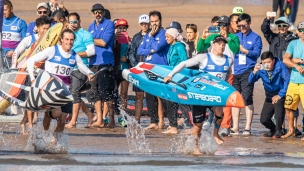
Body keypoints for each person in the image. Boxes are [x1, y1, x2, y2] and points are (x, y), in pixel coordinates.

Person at [164, 35, 233, 154]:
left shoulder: (229, 60)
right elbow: (184, 64)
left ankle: (216, 134)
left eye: (223, 44)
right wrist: (171, 75)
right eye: (219, 44)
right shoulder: (204, 57)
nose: (221, 46)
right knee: (198, 126)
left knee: (219, 112)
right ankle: (196, 148)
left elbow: (229, 75)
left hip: (215, 96)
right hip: (200, 96)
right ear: (213, 44)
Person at [26, 29, 94, 138]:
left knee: (62, 121)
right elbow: (30, 61)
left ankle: (54, 143)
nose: (69, 42)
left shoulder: (74, 56)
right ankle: (45, 136)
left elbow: (83, 67)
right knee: (52, 118)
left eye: (71, 40)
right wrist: (33, 79)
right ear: (61, 39)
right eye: (66, 39)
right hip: (50, 92)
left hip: (65, 93)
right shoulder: (52, 51)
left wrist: (90, 73)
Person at [11, 16, 51, 134]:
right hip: (27, 73)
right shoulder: (29, 39)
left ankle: (24, 122)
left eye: (48, 28)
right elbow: (16, 53)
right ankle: (30, 126)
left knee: (38, 101)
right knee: (30, 100)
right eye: (44, 28)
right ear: (37, 28)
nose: (46, 31)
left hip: (42, 74)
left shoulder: (50, 41)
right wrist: (14, 68)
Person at [137, 10, 171, 130]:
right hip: (149, 68)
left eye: (156, 21)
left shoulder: (163, 33)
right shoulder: (148, 35)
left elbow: (157, 47)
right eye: (152, 22)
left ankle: (165, 121)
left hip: (161, 68)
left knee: (162, 96)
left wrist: (151, 42)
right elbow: (140, 50)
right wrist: (149, 50)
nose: (154, 24)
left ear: (160, 21)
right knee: (150, 94)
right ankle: (154, 121)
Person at [231, 13, 262, 135]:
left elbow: (256, 54)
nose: (242, 28)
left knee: (247, 98)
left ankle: (247, 127)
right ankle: (235, 127)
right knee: (235, 99)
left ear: (249, 23)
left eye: (244, 25)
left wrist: (245, 51)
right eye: (239, 26)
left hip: (248, 70)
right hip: (235, 70)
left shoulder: (256, 37)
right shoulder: (235, 36)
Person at [64, 13, 96, 129]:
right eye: (70, 22)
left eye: (75, 22)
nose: (72, 24)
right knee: (71, 94)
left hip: (80, 68)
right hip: (68, 69)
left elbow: (91, 51)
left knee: (75, 93)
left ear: (79, 21)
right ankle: (90, 115)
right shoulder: (67, 33)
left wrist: (74, 55)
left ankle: (73, 121)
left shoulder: (85, 34)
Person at [248, 51, 289, 138]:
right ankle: (273, 130)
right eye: (264, 62)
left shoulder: (280, 66)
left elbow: (287, 80)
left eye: (269, 62)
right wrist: (254, 71)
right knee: (264, 119)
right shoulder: (261, 68)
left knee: (278, 109)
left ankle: (279, 130)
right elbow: (250, 81)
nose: (267, 64)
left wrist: (280, 95)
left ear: (273, 61)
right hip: (269, 95)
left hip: (279, 92)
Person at [87, 3, 116, 128]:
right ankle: (99, 120)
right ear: (93, 13)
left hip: (105, 62)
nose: (97, 14)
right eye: (95, 12)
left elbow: (104, 42)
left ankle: (111, 120)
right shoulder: (90, 26)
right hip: (92, 62)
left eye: (100, 11)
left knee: (106, 92)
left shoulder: (109, 24)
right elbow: (87, 45)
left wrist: (89, 39)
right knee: (95, 92)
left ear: (103, 12)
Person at [282, 22, 304, 139]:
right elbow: (285, 59)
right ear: (297, 32)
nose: (303, 32)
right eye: (301, 30)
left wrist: (298, 60)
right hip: (294, 81)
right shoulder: (293, 43)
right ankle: (291, 130)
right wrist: (296, 65)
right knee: (289, 107)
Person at [128, 14, 150, 123]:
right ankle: (137, 121)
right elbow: (131, 52)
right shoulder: (136, 37)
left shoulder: (153, 36)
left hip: (150, 69)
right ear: (139, 25)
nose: (144, 26)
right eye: (142, 24)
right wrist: (135, 65)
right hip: (138, 70)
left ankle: (156, 121)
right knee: (139, 96)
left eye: (146, 23)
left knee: (153, 96)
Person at [113, 19, 130, 126]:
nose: (122, 29)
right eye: (119, 28)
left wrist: (127, 58)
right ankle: (113, 116)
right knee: (113, 93)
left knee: (124, 94)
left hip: (125, 70)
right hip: (114, 70)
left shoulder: (129, 40)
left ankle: (123, 116)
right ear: (116, 29)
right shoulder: (112, 39)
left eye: (124, 28)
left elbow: (133, 53)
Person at [2, 0, 27, 69]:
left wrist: (14, 52)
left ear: (11, 9)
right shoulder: (1, 22)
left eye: (5, 10)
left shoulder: (20, 23)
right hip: (1, 58)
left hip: (13, 58)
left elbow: (26, 42)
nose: (3, 12)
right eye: (2, 10)